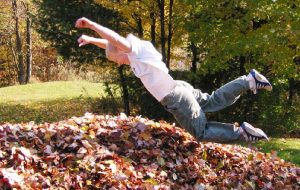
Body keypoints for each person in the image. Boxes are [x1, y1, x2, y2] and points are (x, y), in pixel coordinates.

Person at [75, 17, 273, 143]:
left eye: (115, 60)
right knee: (212, 100)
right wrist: (92, 40)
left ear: (122, 51)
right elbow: (112, 45)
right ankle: (248, 81)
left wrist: (92, 25)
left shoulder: (135, 51)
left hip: (176, 98)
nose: (117, 64)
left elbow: (116, 41)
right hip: (179, 87)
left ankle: (241, 133)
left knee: (201, 132)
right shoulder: (139, 50)